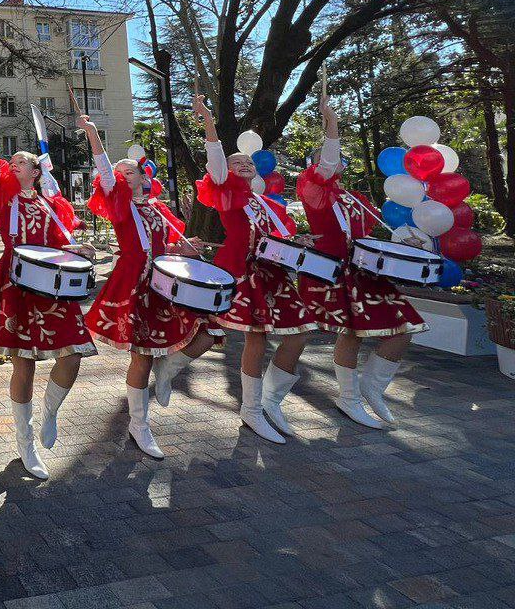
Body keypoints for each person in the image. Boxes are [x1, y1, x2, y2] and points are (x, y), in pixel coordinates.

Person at [173, 95, 318, 444]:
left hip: (275, 276)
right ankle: (250, 409)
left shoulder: (266, 204)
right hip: (242, 273)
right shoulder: (228, 193)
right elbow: (216, 162)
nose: (244, 166)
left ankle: (272, 401)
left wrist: (302, 243)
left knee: (298, 335)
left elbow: (282, 237)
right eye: (236, 163)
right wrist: (209, 119)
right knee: (254, 336)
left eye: (247, 164)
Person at [0, 98, 95, 479]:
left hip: (51, 285)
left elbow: (61, 241)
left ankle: (50, 412)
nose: (14, 164)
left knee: (72, 355)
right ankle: (25, 442)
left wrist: (77, 248)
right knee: (24, 364)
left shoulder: (51, 204)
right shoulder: (4, 195)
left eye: (22, 161)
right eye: (14, 161)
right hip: (16, 280)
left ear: (35, 171)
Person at [81, 115, 214, 459]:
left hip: (165, 281)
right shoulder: (120, 204)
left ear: (144, 177)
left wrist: (184, 249)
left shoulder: (157, 209)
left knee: (208, 332)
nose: (122, 176)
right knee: (142, 355)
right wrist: (94, 135)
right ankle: (139, 424)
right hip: (136, 283)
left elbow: (164, 246)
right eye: (118, 173)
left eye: (130, 172)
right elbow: (106, 173)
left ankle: (169, 371)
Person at [295, 99, 426, 429]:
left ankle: (372, 387)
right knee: (352, 334)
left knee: (404, 328)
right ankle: (349, 397)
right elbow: (325, 165)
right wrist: (332, 124)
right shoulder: (312, 188)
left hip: (366, 272)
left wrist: (404, 242)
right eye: (330, 158)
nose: (336, 163)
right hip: (334, 272)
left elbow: (369, 236)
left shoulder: (353, 198)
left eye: (340, 159)